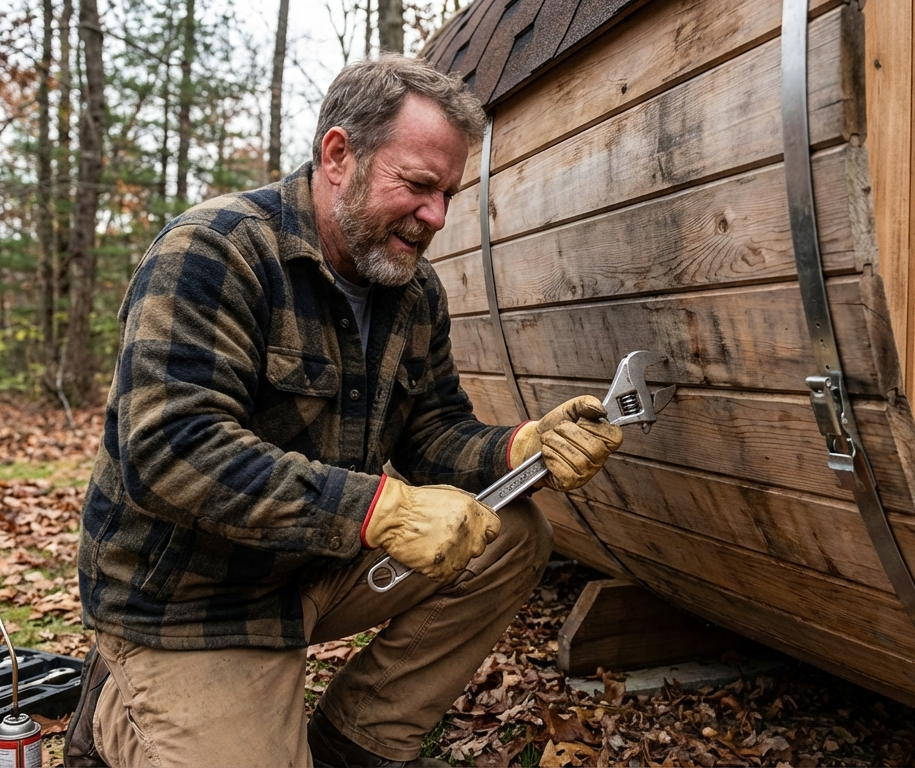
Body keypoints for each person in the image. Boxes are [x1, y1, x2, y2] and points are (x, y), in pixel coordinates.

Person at [62, 55, 623, 768]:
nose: (437, 217)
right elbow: (172, 448)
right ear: (338, 155)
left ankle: (354, 742)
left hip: (313, 564)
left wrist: (525, 447)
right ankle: (118, 711)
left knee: (511, 531)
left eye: (448, 193)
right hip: (191, 599)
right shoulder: (214, 250)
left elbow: (434, 433)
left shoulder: (414, 293)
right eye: (419, 186)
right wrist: (379, 511)